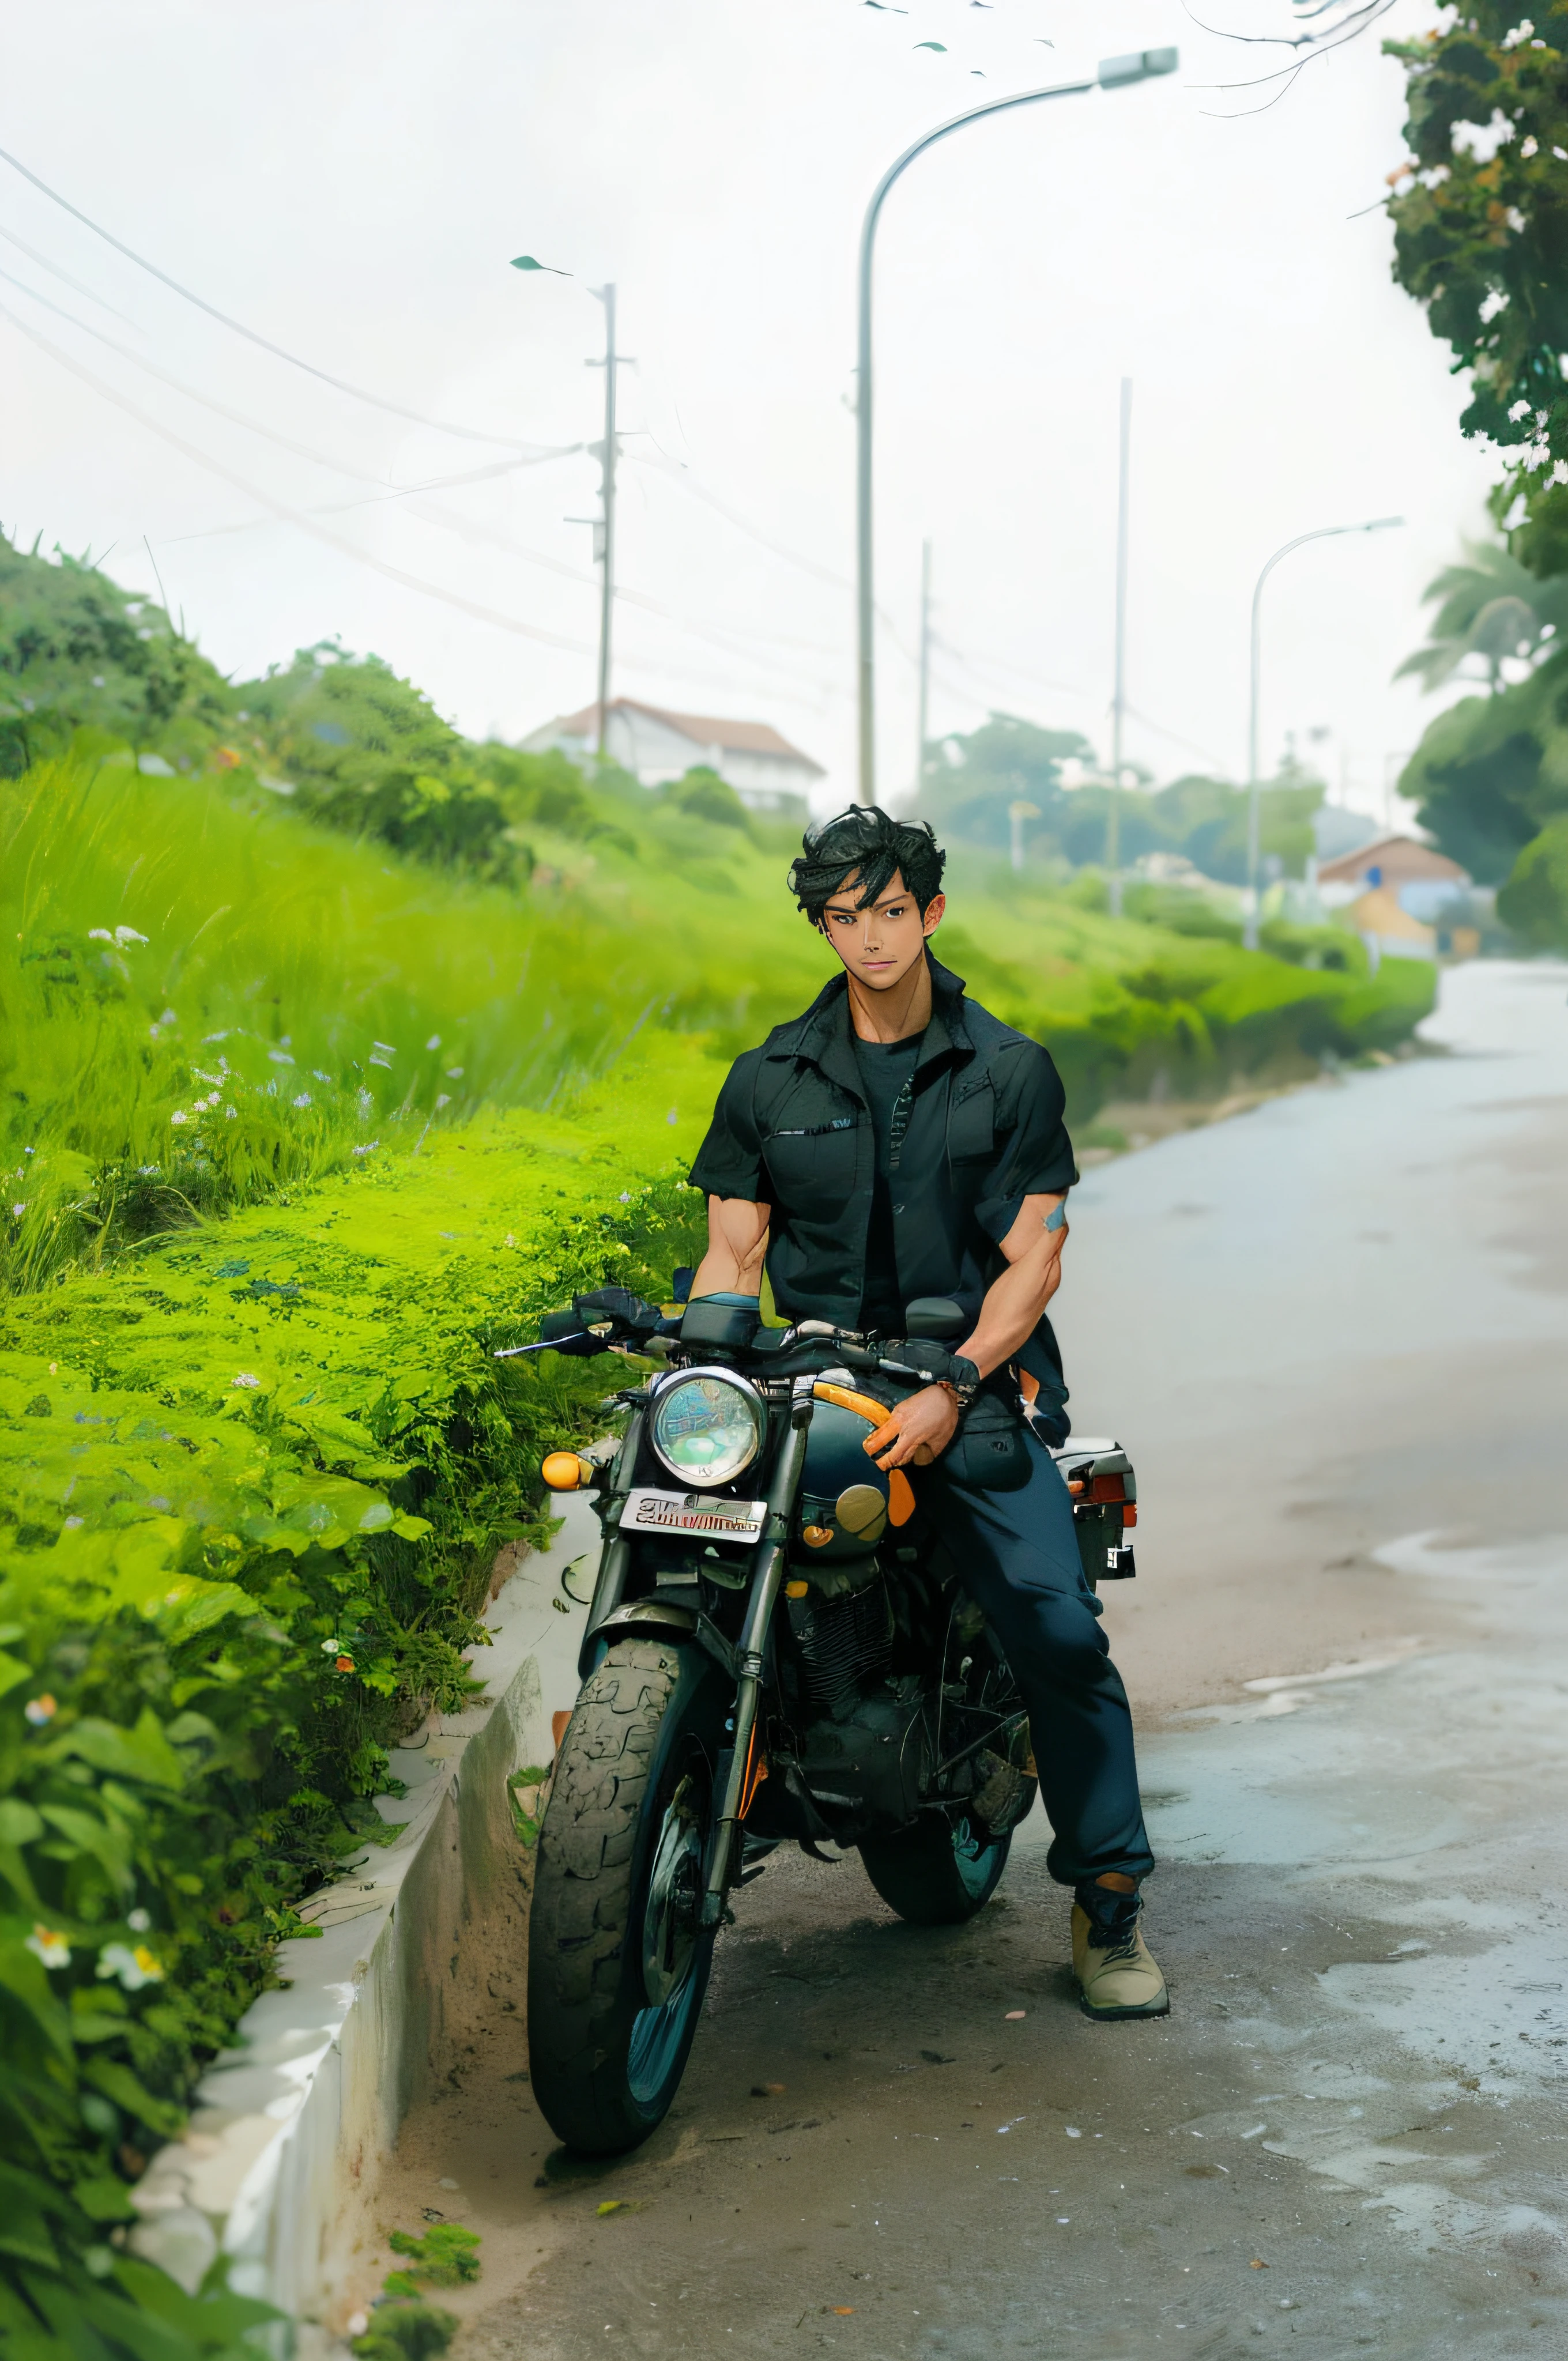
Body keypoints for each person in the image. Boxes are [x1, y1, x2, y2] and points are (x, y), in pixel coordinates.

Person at [684, 804, 1166, 2021]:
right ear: (822, 925)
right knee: (687, 1541)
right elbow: (731, 1259)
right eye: (842, 916)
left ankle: (1108, 1897)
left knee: (1057, 1628)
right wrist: (703, 1355)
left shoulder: (1005, 1069)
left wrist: (957, 1382)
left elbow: (1034, 1257)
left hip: (978, 1382)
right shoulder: (769, 1079)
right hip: (818, 1380)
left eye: (888, 910)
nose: (868, 936)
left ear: (930, 910)